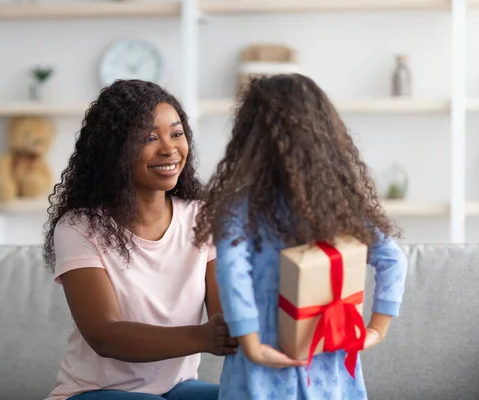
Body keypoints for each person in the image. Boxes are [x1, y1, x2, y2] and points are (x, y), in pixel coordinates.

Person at [193, 73, 408, 400]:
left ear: (250, 138)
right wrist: (377, 329)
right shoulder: (342, 204)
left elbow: (232, 271)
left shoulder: (241, 206)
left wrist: (252, 346)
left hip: (265, 353)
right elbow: (392, 258)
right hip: (325, 342)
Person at [42, 79, 237, 400]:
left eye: (176, 133)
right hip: (95, 392)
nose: (169, 148)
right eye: (149, 138)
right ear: (114, 150)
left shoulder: (203, 217)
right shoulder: (79, 227)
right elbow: (105, 335)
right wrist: (203, 337)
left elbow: (224, 317)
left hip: (176, 389)